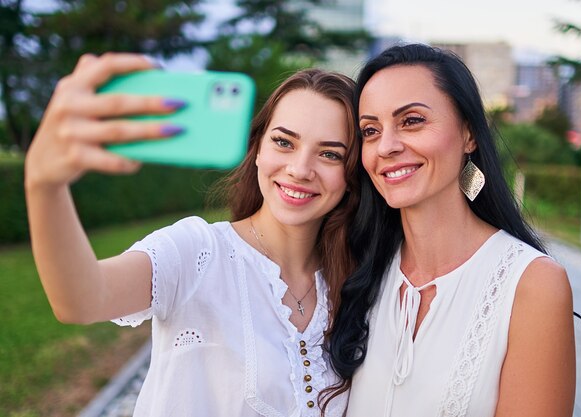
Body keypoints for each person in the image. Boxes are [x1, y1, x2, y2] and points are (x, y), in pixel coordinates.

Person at [25, 53, 360, 416]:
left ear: (352, 172)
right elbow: (81, 299)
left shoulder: (354, 280)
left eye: (330, 154)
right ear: (258, 148)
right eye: (284, 142)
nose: (300, 168)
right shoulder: (198, 251)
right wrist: (45, 186)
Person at [326, 44, 576, 417]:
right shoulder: (356, 268)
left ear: (469, 134)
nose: (387, 147)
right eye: (370, 130)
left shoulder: (531, 285)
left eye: (412, 120)